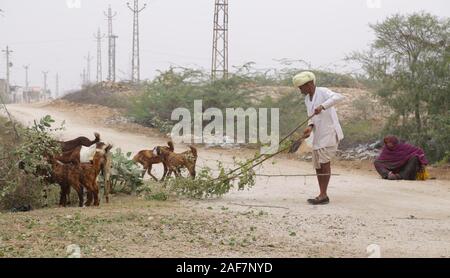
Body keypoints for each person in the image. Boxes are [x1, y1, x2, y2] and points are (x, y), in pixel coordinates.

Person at [292, 71, 345, 205]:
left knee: (324, 162)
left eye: (301, 87)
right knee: (318, 165)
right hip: (318, 135)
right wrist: (309, 127)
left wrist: (322, 106)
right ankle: (322, 193)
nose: (300, 90)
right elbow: (311, 117)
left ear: (309, 84)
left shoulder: (323, 92)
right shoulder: (306, 99)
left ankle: (323, 194)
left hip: (329, 133)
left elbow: (338, 97)